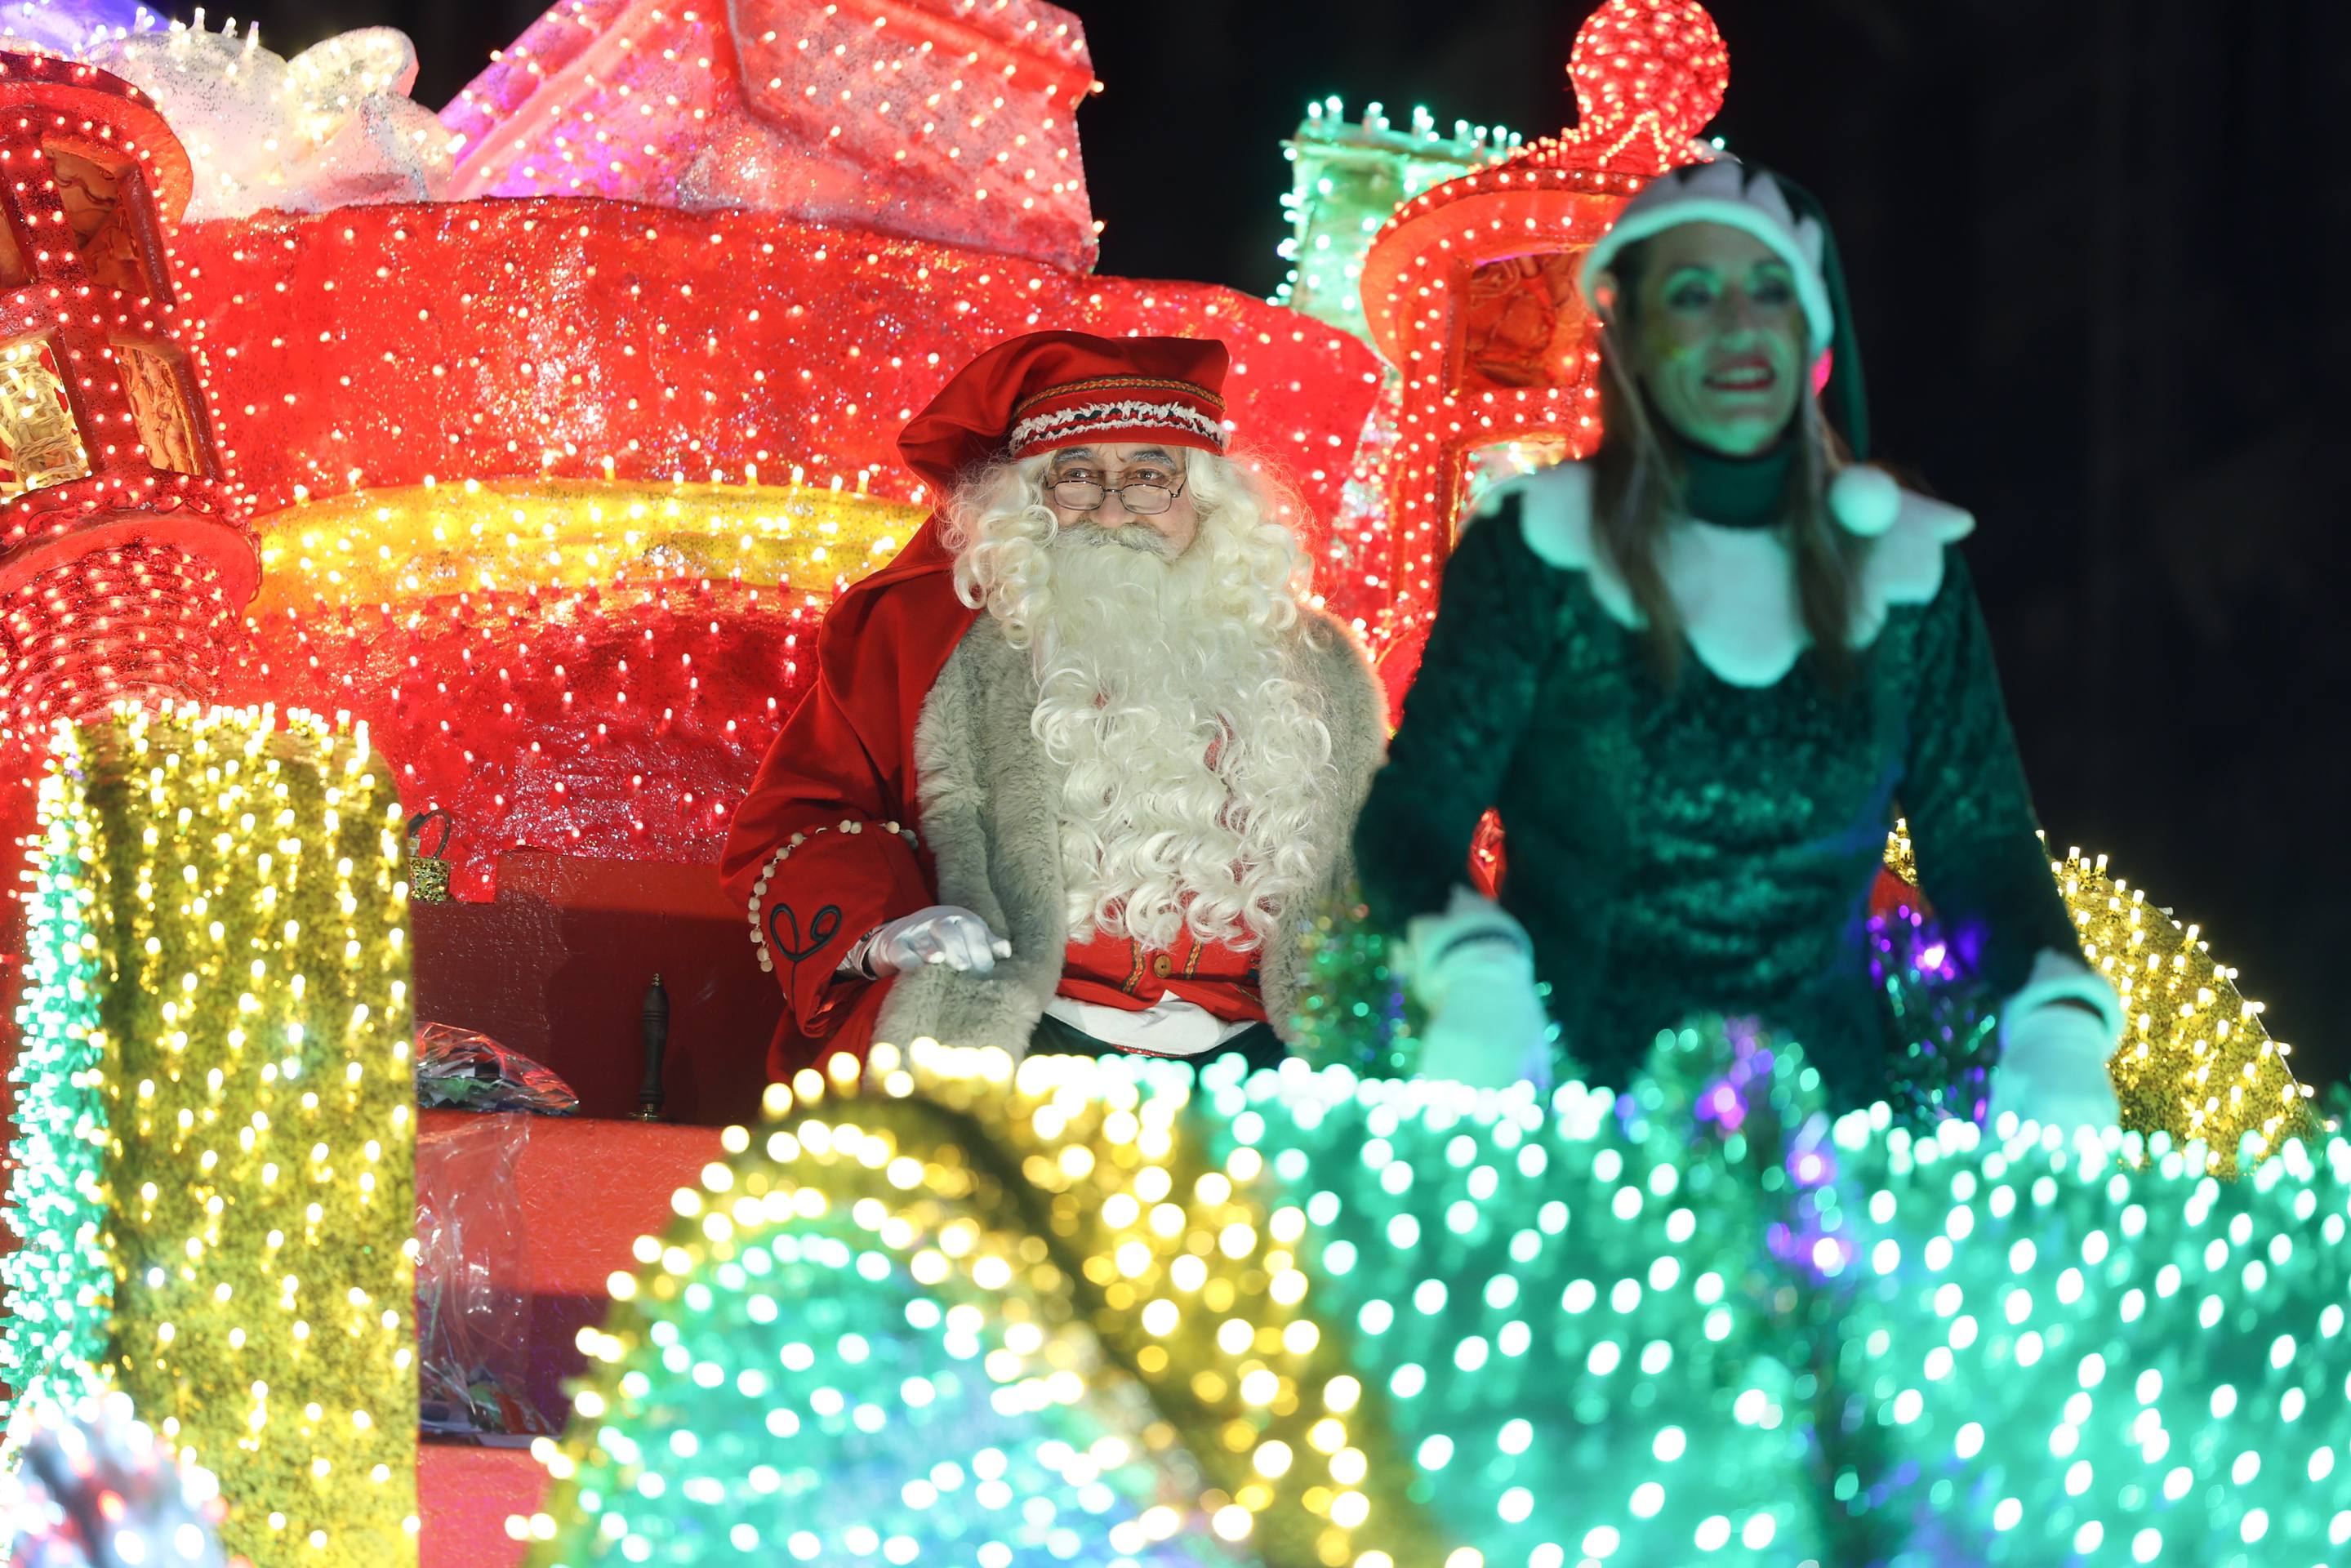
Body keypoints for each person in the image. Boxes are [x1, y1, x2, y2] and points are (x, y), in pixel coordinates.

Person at [1351, 159, 2122, 1128]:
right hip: (1574, 1136)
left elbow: (1980, 843)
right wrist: (1472, 973)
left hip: (1817, 1155)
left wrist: (2052, 1017)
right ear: (1626, 339)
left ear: (1812, 337)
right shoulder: (1535, 550)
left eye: (1768, 291)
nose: (1736, 325)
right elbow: (1413, 815)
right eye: (1691, 293)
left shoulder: (1904, 570)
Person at [723, 330, 1386, 1075]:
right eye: (1076, 476)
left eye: (1147, 475)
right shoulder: (923, 640)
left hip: (1278, 1063)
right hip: (1013, 1041)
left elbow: (1418, 858)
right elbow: (799, 820)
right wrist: (885, 930)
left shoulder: (1320, 666)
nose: (1110, 512)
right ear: (1029, 500)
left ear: (1203, 498)